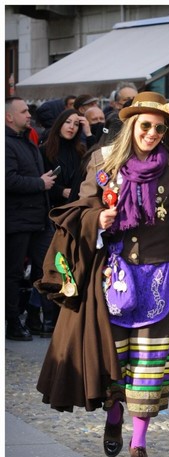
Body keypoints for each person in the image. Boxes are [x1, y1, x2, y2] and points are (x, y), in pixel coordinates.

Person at [35, 91, 169, 457]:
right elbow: (80, 209)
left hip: (158, 275)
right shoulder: (103, 162)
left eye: (159, 127)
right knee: (115, 360)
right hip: (112, 275)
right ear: (132, 124)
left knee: (150, 365)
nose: (152, 133)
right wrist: (98, 219)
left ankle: (139, 445)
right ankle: (114, 414)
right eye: (145, 125)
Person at [5, 96, 56, 341]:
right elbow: (8, 180)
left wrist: (41, 180)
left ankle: (36, 317)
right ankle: (13, 322)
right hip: (17, 221)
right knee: (14, 273)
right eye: (24, 111)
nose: (29, 115)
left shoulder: (26, 139)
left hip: (37, 218)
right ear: (9, 116)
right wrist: (39, 183)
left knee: (43, 269)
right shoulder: (6, 143)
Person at [39, 109, 89, 208]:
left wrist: (88, 134)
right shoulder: (44, 150)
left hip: (77, 205)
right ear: (60, 124)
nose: (71, 127)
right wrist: (61, 191)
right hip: (54, 208)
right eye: (68, 122)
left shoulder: (81, 150)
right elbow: (40, 179)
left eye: (76, 124)